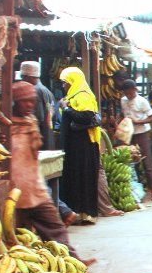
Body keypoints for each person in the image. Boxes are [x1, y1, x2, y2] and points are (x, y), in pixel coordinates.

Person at [8, 81, 88, 261]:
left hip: (34, 186)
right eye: (24, 101)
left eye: (32, 101)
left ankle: (73, 261)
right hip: (14, 190)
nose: (29, 105)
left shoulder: (31, 122)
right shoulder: (6, 126)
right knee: (17, 236)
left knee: (55, 228)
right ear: (15, 102)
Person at [58, 67, 101, 225]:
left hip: (84, 145)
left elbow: (86, 116)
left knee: (85, 177)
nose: (63, 86)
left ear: (73, 82)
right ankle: (78, 212)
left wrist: (67, 109)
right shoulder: (72, 95)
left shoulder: (83, 95)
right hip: (75, 145)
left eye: (65, 83)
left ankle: (87, 213)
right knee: (76, 178)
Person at [120, 80, 152, 201]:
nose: (129, 96)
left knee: (147, 162)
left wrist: (139, 122)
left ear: (135, 90)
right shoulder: (123, 101)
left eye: (130, 93)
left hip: (142, 133)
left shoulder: (142, 101)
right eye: (126, 94)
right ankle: (136, 191)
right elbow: (123, 114)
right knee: (131, 162)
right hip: (129, 134)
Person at [19, 61, 55, 149]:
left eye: (23, 77)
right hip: (48, 137)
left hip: (38, 139)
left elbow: (37, 117)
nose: (22, 81)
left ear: (28, 76)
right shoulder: (47, 91)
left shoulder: (34, 91)